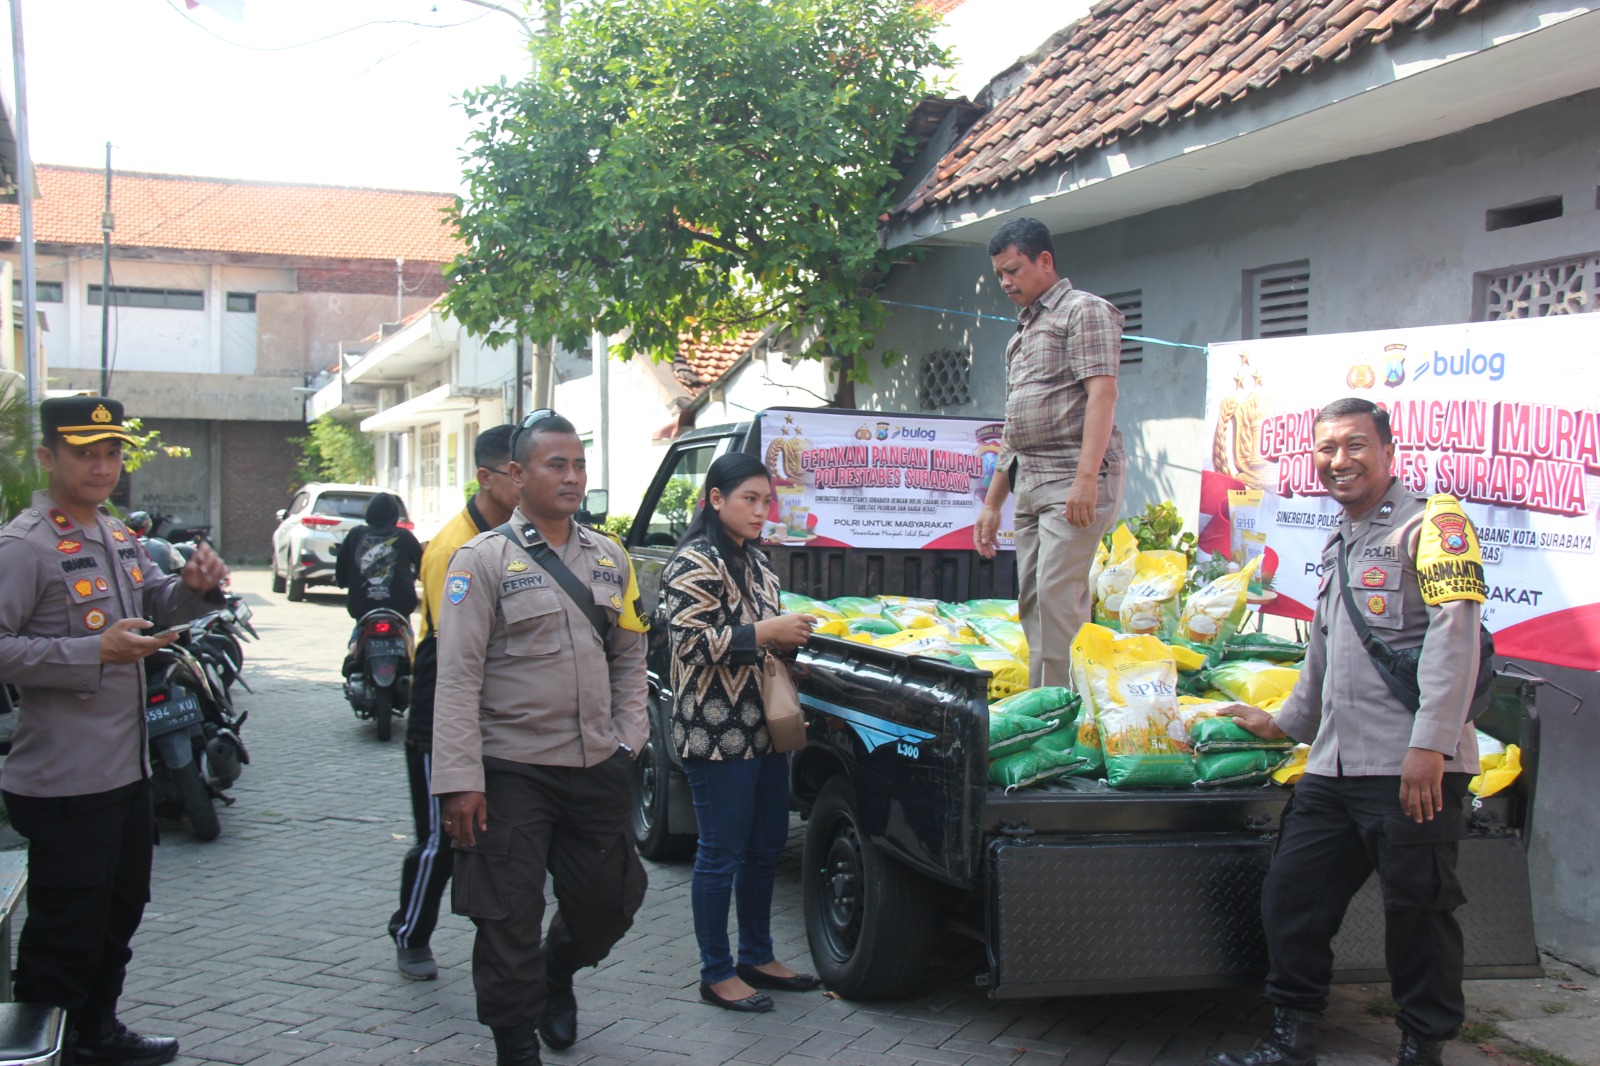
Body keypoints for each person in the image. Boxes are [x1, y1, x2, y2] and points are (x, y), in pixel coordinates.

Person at [1208, 398, 1486, 1066]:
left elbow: (1456, 638)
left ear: (1388, 452)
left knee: (1419, 916)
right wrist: (1284, 722)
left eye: (1355, 445)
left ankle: (1423, 1048)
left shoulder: (1434, 525)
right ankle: (1292, 1038)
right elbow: (1326, 654)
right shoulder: (1341, 540)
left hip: (1411, 768)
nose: (1340, 460)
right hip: (1334, 767)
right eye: (1327, 448)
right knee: (1292, 896)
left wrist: (1432, 744)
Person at [0, 396, 230, 1066]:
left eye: (111, 454)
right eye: (85, 454)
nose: (102, 468)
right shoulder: (24, 547)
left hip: (127, 771)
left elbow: (158, 603)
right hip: (64, 780)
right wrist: (90, 652)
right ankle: (47, 1048)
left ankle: (96, 1029)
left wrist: (195, 587)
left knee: (119, 912)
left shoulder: (116, 535)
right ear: (47, 458)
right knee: (65, 930)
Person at [431, 410, 649, 1066]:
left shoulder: (611, 557)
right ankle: (515, 1043)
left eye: (579, 464)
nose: (572, 476)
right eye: (557, 465)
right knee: (507, 917)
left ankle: (559, 971)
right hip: (511, 770)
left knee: (609, 903)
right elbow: (457, 677)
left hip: (596, 765)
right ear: (518, 474)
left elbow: (630, 657)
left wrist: (628, 739)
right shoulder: (481, 560)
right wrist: (460, 779)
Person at [660, 453, 821, 1015]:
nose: (760, 511)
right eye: (749, 499)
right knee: (720, 852)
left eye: (766, 501)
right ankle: (716, 972)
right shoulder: (693, 561)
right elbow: (689, 644)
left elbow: (764, 641)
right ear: (716, 499)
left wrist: (789, 640)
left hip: (765, 726)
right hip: (714, 732)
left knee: (765, 846)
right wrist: (767, 630)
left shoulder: (758, 561)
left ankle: (757, 955)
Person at [388, 425, 519, 982]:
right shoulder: (453, 548)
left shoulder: (522, 536)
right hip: (441, 709)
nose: (528, 482)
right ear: (486, 477)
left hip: (498, 712)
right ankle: (411, 933)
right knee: (442, 838)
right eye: (516, 472)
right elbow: (459, 651)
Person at [974, 216, 1125, 687]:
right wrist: (992, 503)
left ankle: (1069, 710)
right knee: (1034, 600)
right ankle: (1045, 702)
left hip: (1073, 476)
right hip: (1030, 480)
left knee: (1058, 598)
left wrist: (1086, 479)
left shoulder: (1085, 311)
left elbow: (1102, 394)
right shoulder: (1020, 335)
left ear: (1044, 261)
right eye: (999, 274)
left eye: (1013, 270)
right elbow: (1015, 426)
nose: (1005, 282)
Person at [335, 491, 422, 623]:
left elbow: (341, 565)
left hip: (362, 607)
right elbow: (423, 564)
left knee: (358, 634)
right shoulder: (405, 536)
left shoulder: (356, 534)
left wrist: (341, 581)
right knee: (406, 633)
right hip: (400, 606)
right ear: (395, 514)